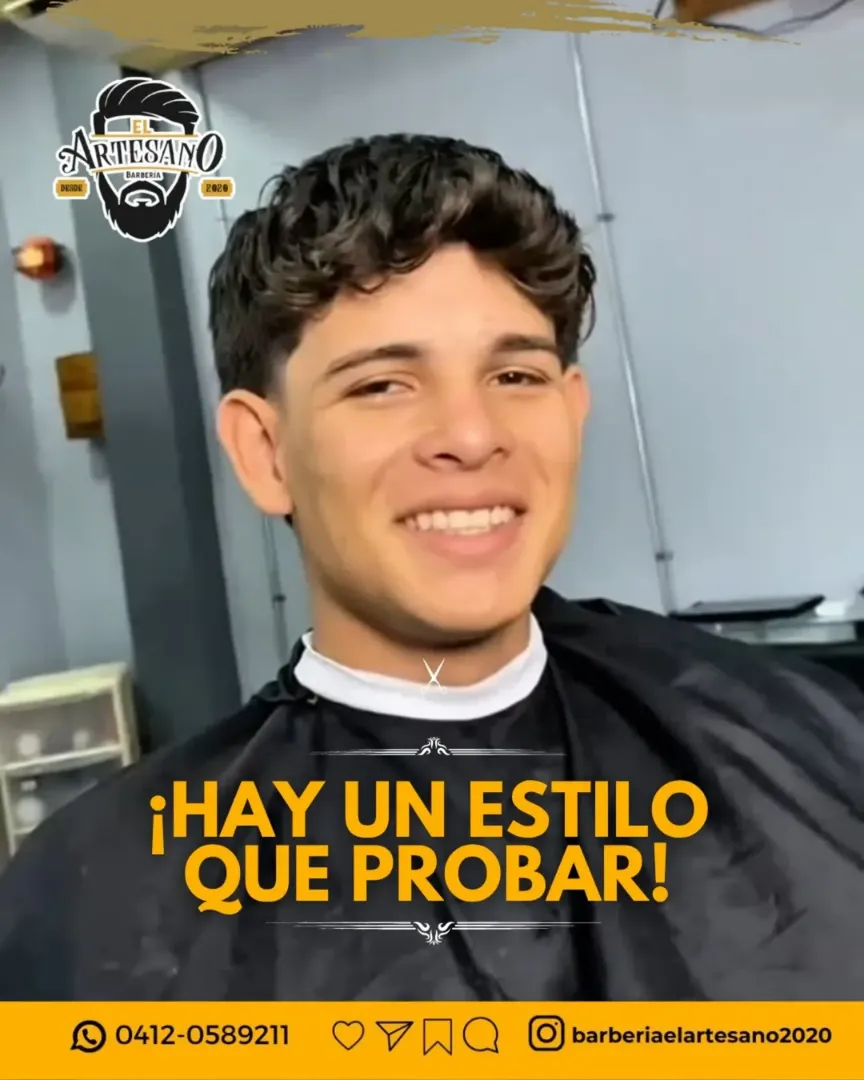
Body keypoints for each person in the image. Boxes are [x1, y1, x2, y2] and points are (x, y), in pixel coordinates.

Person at [1, 133, 863, 1001]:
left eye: (515, 376)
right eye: (382, 385)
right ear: (265, 452)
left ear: (572, 413)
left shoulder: (814, 741)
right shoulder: (96, 906)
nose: (473, 435)